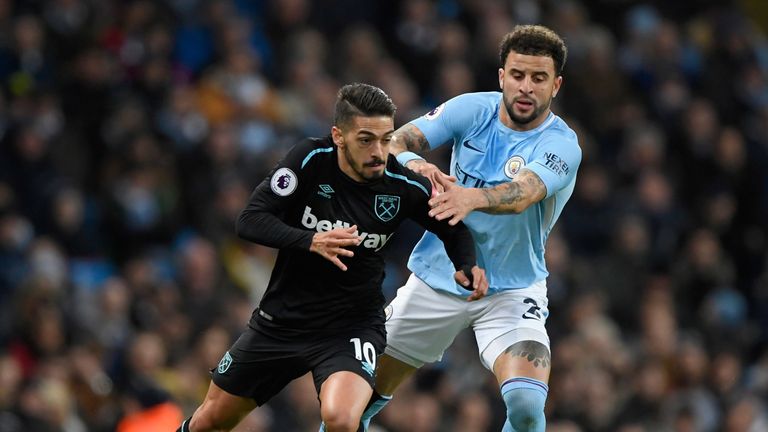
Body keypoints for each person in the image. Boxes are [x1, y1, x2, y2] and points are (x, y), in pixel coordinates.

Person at [177, 82, 488, 432]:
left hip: (350, 327)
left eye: (386, 140)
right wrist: (310, 240)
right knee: (210, 421)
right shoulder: (309, 160)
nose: (378, 152)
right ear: (339, 135)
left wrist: (466, 265)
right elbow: (250, 220)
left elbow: (452, 227)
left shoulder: (402, 184)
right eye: (366, 139)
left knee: (341, 418)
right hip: (282, 321)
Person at [353, 25, 581, 432]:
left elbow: (525, 192)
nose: (525, 87)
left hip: (511, 289)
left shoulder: (562, 144)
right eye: (517, 75)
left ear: (556, 85)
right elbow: (396, 141)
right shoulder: (471, 110)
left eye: (538, 78)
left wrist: (470, 198)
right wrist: (416, 165)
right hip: (437, 278)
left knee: (527, 406)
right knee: (354, 397)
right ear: (501, 76)